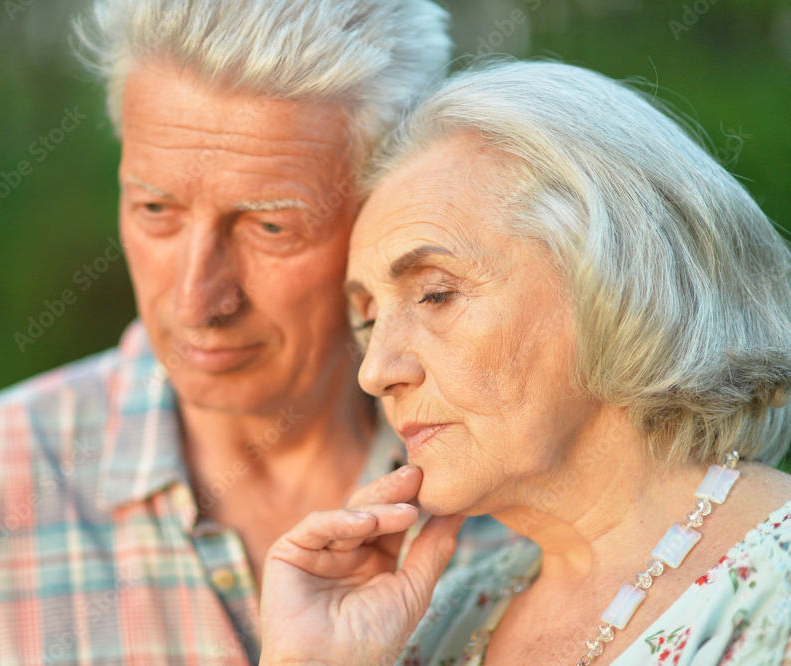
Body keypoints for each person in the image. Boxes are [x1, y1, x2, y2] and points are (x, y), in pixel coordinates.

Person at [0, 2, 518, 664]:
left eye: (270, 227)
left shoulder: (521, 499)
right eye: (156, 209)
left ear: (386, 215)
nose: (196, 300)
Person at [259, 59, 791, 665]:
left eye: (435, 294)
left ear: (615, 277)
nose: (375, 371)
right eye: (366, 319)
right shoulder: (427, 624)